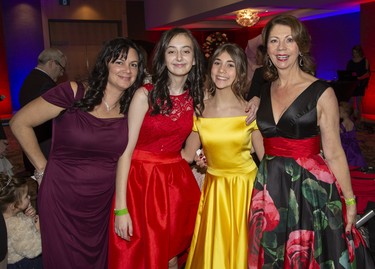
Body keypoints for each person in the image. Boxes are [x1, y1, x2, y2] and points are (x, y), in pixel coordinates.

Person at [9, 37, 145, 268]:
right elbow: (19, 122)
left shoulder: (133, 108)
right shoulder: (73, 92)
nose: (127, 70)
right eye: (120, 62)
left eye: (133, 65)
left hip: (101, 203)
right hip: (61, 197)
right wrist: (42, 169)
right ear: (105, 64)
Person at [247, 15, 357, 268]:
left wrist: (349, 201)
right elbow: (258, 136)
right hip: (270, 188)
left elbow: (334, 153)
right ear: (267, 48)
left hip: (309, 190)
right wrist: (270, 172)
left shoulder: (321, 91)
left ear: (300, 46)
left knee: (308, 255)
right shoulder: (263, 91)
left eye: (289, 40)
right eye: (274, 41)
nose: (282, 48)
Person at [108, 28, 205, 269]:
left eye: (186, 51)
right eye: (172, 51)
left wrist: (195, 155)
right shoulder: (144, 95)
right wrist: (121, 208)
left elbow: (194, 139)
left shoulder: (199, 98)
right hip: (140, 185)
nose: (179, 57)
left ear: (194, 59)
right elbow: (125, 152)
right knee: (142, 254)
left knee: (171, 257)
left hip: (174, 186)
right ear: (162, 57)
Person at [181, 43, 264, 269]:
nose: (221, 70)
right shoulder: (200, 109)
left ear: (239, 72)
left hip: (245, 189)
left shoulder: (249, 111)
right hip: (215, 190)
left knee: (243, 250)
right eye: (217, 63)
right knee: (214, 252)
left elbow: (266, 159)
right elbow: (187, 154)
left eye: (230, 65)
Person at [18, 48, 67, 174]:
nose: (61, 74)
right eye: (61, 68)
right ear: (52, 63)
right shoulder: (46, 84)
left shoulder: (30, 79)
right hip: (44, 147)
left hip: (32, 144)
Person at [0, 174, 42, 269]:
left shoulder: (8, 217)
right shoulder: (16, 225)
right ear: (14, 205)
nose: (29, 197)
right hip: (25, 264)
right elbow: (34, 250)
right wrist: (39, 228)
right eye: (26, 196)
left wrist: (29, 218)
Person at [346, 45, 370, 124]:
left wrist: (360, 78)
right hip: (352, 84)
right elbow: (347, 73)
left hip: (361, 84)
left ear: (359, 52)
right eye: (353, 52)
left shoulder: (365, 60)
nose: (355, 54)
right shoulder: (350, 62)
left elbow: (367, 73)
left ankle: (359, 120)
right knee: (352, 102)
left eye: (356, 52)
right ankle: (352, 120)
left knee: (359, 102)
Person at [339, 101, 367, 167]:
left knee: (345, 158)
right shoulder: (351, 122)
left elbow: (340, 134)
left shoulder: (342, 124)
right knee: (355, 156)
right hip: (353, 144)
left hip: (345, 144)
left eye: (340, 112)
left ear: (345, 113)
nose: (338, 113)